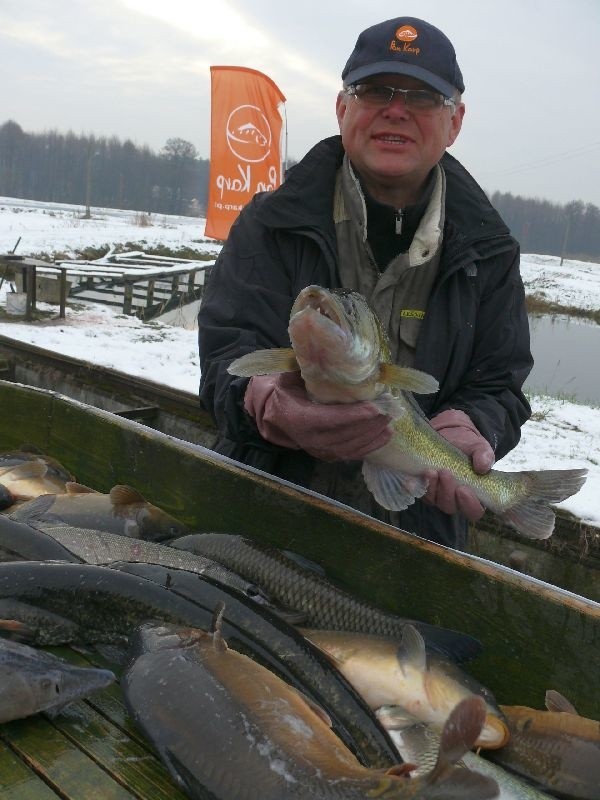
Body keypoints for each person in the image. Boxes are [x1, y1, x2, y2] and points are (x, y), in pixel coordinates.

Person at [198, 16, 533, 549]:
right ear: (341, 107)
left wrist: (472, 424)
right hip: (259, 516)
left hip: (417, 539)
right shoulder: (268, 223)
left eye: (423, 97)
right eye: (375, 90)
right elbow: (224, 362)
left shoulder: (490, 253)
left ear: (456, 121)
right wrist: (263, 403)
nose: (396, 109)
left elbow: (500, 384)